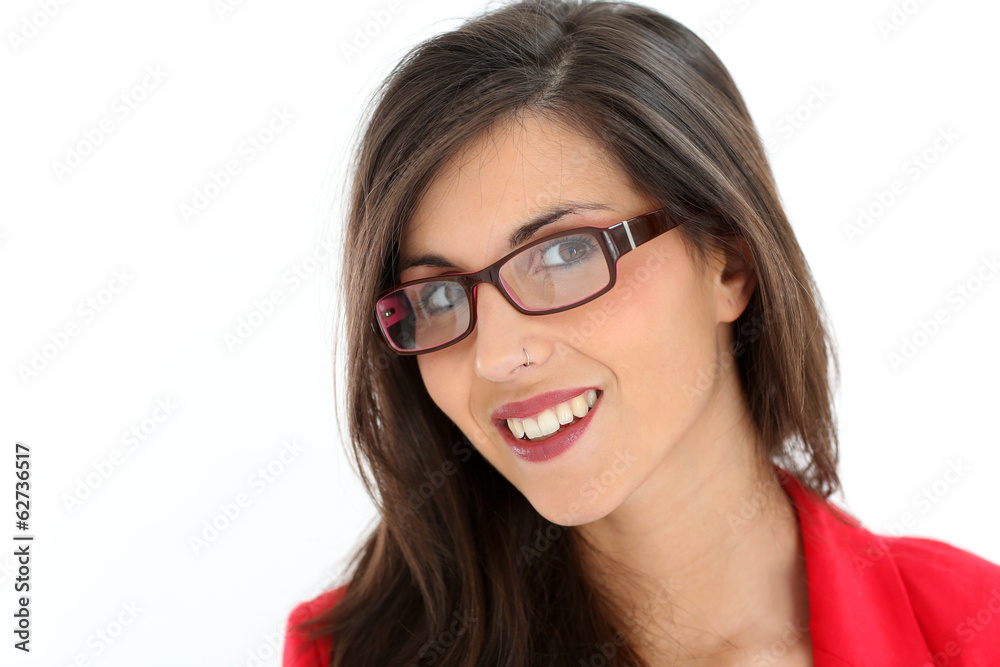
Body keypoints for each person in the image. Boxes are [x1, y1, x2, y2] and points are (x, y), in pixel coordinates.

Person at [283, 1, 1000, 664]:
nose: (498, 356)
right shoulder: (353, 653)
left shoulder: (974, 626)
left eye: (565, 253)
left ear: (729, 264)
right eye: (436, 296)